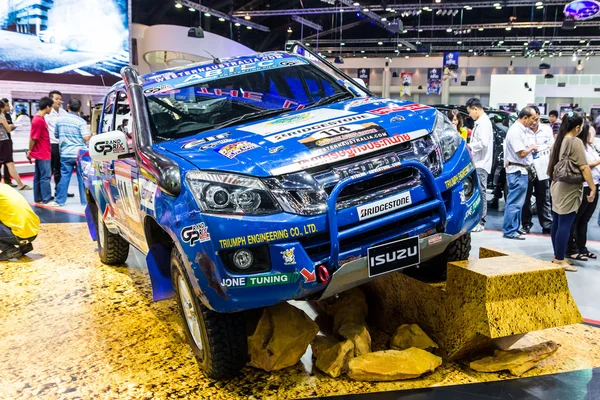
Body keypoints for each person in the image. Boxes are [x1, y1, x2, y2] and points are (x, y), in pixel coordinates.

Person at [548, 111, 596, 271]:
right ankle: (559, 259)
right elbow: (584, 166)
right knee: (565, 224)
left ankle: (557, 256)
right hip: (569, 188)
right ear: (577, 127)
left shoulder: (559, 140)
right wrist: (593, 187)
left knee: (557, 221)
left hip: (556, 185)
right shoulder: (575, 142)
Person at [566, 122, 600, 262]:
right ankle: (571, 249)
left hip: (594, 184)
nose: (592, 135)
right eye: (590, 132)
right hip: (584, 186)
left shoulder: (590, 147)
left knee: (584, 219)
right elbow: (583, 165)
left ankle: (582, 247)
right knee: (576, 218)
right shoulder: (578, 146)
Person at [502, 107, 537, 240]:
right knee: (514, 203)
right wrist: (532, 148)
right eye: (533, 119)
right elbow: (521, 153)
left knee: (518, 203)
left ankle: (514, 228)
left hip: (520, 171)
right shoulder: (516, 131)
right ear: (525, 118)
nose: (534, 122)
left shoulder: (521, 131)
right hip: (517, 171)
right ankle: (510, 230)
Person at [522, 106, 553, 234]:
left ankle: (547, 224)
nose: (534, 122)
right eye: (532, 119)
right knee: (526, 197)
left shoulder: (546, 130)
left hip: (543, 168)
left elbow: (552, 146)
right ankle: (526, 224)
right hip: (528, 168)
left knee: (544, 196)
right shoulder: (523, 131)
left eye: (536, 119)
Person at [55, 98, 90, 206]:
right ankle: (84, 202)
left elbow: (56, 135)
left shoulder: (59, 120)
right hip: (79, 154)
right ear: (79, 108)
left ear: (68, 106)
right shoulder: (81, 121)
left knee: (64, 177)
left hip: (65, 153)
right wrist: (91, 134)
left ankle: (60, 201)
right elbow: (86, 137)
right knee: (81, 178)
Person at [465, 98, 493, 232]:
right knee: (478, 192)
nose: (470, 115)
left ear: (475, 108)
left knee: (481, 192)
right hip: (478, 162)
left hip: (481, 163)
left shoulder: (484, 123)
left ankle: (481, 222)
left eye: (470, 112)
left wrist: (469, 146)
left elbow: (483, 143)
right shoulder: (480, 122)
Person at [27, 97, 58, 206]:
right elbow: (33, 138)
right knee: (45, 176)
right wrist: (29, 150)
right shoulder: (38, 120)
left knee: (39, 176)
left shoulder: (39, 118)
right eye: (51, 107)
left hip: (42, 151)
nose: (51, 109)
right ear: (47, 107)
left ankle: (38, 197)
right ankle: (46, 198)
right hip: (43, 153)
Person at [0, 183, 39, 260]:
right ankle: (25, 246)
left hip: (19, 236)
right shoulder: (5, 187)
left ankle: (10, 250)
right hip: (33, 233)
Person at [45, 90, 72, 198]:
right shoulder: (47, 114)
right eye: (57, 99)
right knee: (50, 170)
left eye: (60, 99)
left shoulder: (64, 112)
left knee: (61, 170)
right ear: (50, 100)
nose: (59, 101)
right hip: (52, 144)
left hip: (64, 145)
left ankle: (60, 191)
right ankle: (46, 194)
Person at [0, 100, 30, 191]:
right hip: (4, 142)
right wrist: (12, 126)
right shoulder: (1, 116)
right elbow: (8, 129)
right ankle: (20, 184)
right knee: (10, 164)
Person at [1, 98, 14, 186]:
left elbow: (9, 127)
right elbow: (8, 128)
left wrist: (11, 126)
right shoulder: (2, 116)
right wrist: (9, 127)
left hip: (7, 140)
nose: (8, 107)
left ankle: (7, 180)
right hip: (2, 142)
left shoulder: (8, 116)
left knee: (8, 161)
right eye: (7, 105)